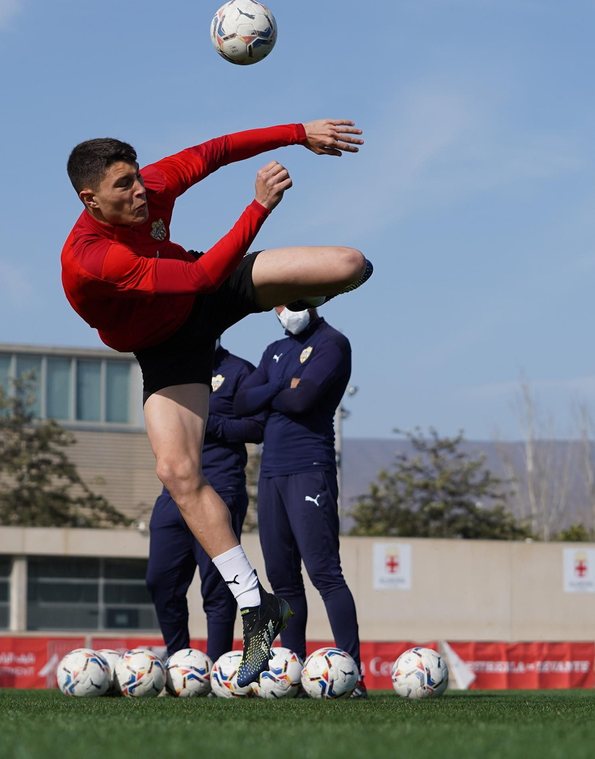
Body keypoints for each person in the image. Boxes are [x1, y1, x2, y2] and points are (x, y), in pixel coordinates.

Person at [61, 120, 371, 684]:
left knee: (352, 265)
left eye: (138, 178)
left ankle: (291, 291)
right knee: (177, 472)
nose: (140, 192)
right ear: (91, 199)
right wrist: (259, 209)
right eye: (123, 187)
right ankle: (258, 606)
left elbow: (216, 150)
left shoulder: (150, 187)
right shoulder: (91, 257)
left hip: (203, 289)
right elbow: (201, 275)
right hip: (169, 341)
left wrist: (302, 132)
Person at [234, 305, 363, 695]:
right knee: (283, 580)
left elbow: (303, 399)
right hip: (270, 473)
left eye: (294, 300)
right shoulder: (274, 350)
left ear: (313, 299)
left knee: (324, 573)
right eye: (279, 303)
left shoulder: (332, 343)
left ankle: (353, 676)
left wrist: (270, 393)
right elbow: (242, 401)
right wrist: (279, 386)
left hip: (310, 467)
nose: (286, 310)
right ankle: (295, 675)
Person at [144, 343, 263, 661]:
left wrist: (210, 423)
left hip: (220, 487)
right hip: (173, 492)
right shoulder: (174, 368)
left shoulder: (239, 370)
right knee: (160, 582)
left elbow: (258, 426)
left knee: (217, 591)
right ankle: (181, 663)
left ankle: (216, 671)